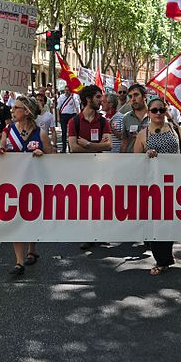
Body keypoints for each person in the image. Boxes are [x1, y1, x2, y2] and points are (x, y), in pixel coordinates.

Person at [134, 97, 181, 274]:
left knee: (168, 220)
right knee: (155, 221)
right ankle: (161, 260)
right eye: (154, 110)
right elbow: (135, 159)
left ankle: (167, 255)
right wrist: (146, 155)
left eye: (161, 109)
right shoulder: (143, 134)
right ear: (148, 113)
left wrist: (180, 160)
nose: (158, 113)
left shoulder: (175, 129)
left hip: (174, 183)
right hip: (152, 185)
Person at [0, 96, 54, 275]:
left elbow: (54, 158)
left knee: (31, 217)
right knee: (15, 218)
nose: (12, 111)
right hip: (13, 183)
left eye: (16, 108)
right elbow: (1, 148)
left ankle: (32, 249)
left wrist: (43, 155)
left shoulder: (41, 133)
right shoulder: (8, 130)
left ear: (27, 112)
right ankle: (19, 261)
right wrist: (2, 151)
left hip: (34, 183)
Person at [68, 85, 111, 250]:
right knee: (84, 202)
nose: (102, 101)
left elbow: (108, 146)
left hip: (99, 166)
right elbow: (73, 147)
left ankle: (100, 233)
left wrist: (87, 144)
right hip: (80, 168)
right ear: (88, 99)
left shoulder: (103, 121)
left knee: (101, 201)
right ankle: (87, 235)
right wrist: (96, 146)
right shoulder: (74, 121)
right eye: (98, 97)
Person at [120, 84, 149, 153]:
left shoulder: (155, 115)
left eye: (136, 95)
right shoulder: (126, 118)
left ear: (144, 96)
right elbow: (124, 142)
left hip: (151, 159)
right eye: (130, 96)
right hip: (132, 159)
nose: (133, 99)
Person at [57, 86, 81, 153]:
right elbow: (58, 108)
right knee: (64, 132)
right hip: (63, 115)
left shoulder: (74, 96)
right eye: (66, 90)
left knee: (72, 133)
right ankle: (64, 148)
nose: (67, 91)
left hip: (72, 115)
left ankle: (71, 147)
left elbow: (77, 107)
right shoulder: (61, 97)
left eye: (68, 90)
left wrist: (78, 116)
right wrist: (58, 117)